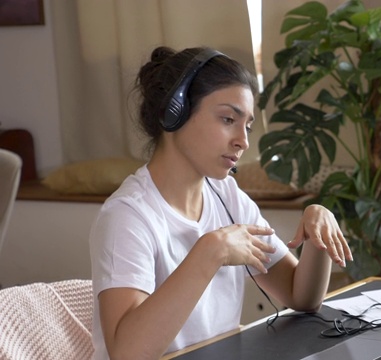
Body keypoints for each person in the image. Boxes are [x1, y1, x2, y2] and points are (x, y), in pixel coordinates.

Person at [89, 46, 352, 359]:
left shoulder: (228, 195)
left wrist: (316, 231)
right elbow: (128, 354)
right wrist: (210, 253)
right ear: (175, 113)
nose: (243, 140)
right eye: (228, 118)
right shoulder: (128, 216)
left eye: (248, 126)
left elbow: (301, 295)